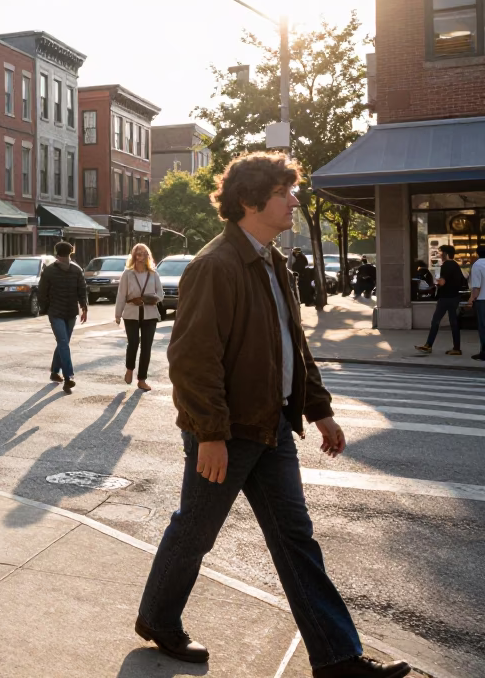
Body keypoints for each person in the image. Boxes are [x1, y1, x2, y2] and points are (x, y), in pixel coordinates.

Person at [136, 153, 409, 678]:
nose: (294, 200)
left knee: (295, 539)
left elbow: (291, 344)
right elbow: (192, 361)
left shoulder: (273, 260)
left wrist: (319, 409)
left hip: (273, 425)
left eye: (292, 191)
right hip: (229, 431)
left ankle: (337, 658)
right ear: (249, 200)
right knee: (195, 530)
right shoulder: (213, 266)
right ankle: (158, 619)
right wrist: (210, 435)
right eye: (284, 192)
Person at [37, 241, 88, 392]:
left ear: (56, 253)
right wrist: (84, 308)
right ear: (70, 253)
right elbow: (82, 290)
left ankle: (54, 372)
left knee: (62, 343)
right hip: (68, 312)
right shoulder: (76, 269)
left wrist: (45, 308)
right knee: (64, 342)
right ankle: (68, 377)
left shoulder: (50, 270)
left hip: (60, 312)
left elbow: (41, 292)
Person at [115, 243, 162, 392]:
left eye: (143, 253)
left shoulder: (153, 274)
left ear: (148, 256)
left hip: (150, 315)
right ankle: (129, 369)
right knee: (133, 343)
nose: (140, 256)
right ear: (134, 255)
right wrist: (118, 314)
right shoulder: (127, 274)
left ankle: (142, 379)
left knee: (146, 347)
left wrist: (148, 299)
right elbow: (121, 295)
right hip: (131, 314)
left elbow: (160, 295)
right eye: (138, 253)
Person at [416, 245, 467, 356]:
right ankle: (456, 348)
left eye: (440, 253)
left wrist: (437, 282)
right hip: (454, 297)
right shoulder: (455, 265)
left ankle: (428, 345)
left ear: (446, 254)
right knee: (454, 323)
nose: (439, 255)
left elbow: (442, 282)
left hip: (446, 298)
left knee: (435, 321)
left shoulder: (446, 265)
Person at [470, 246, 485, 361]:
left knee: (483, 326)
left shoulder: (477, 265)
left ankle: (483, 352)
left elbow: (477, 287)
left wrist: (471, 300)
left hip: (482, 300)